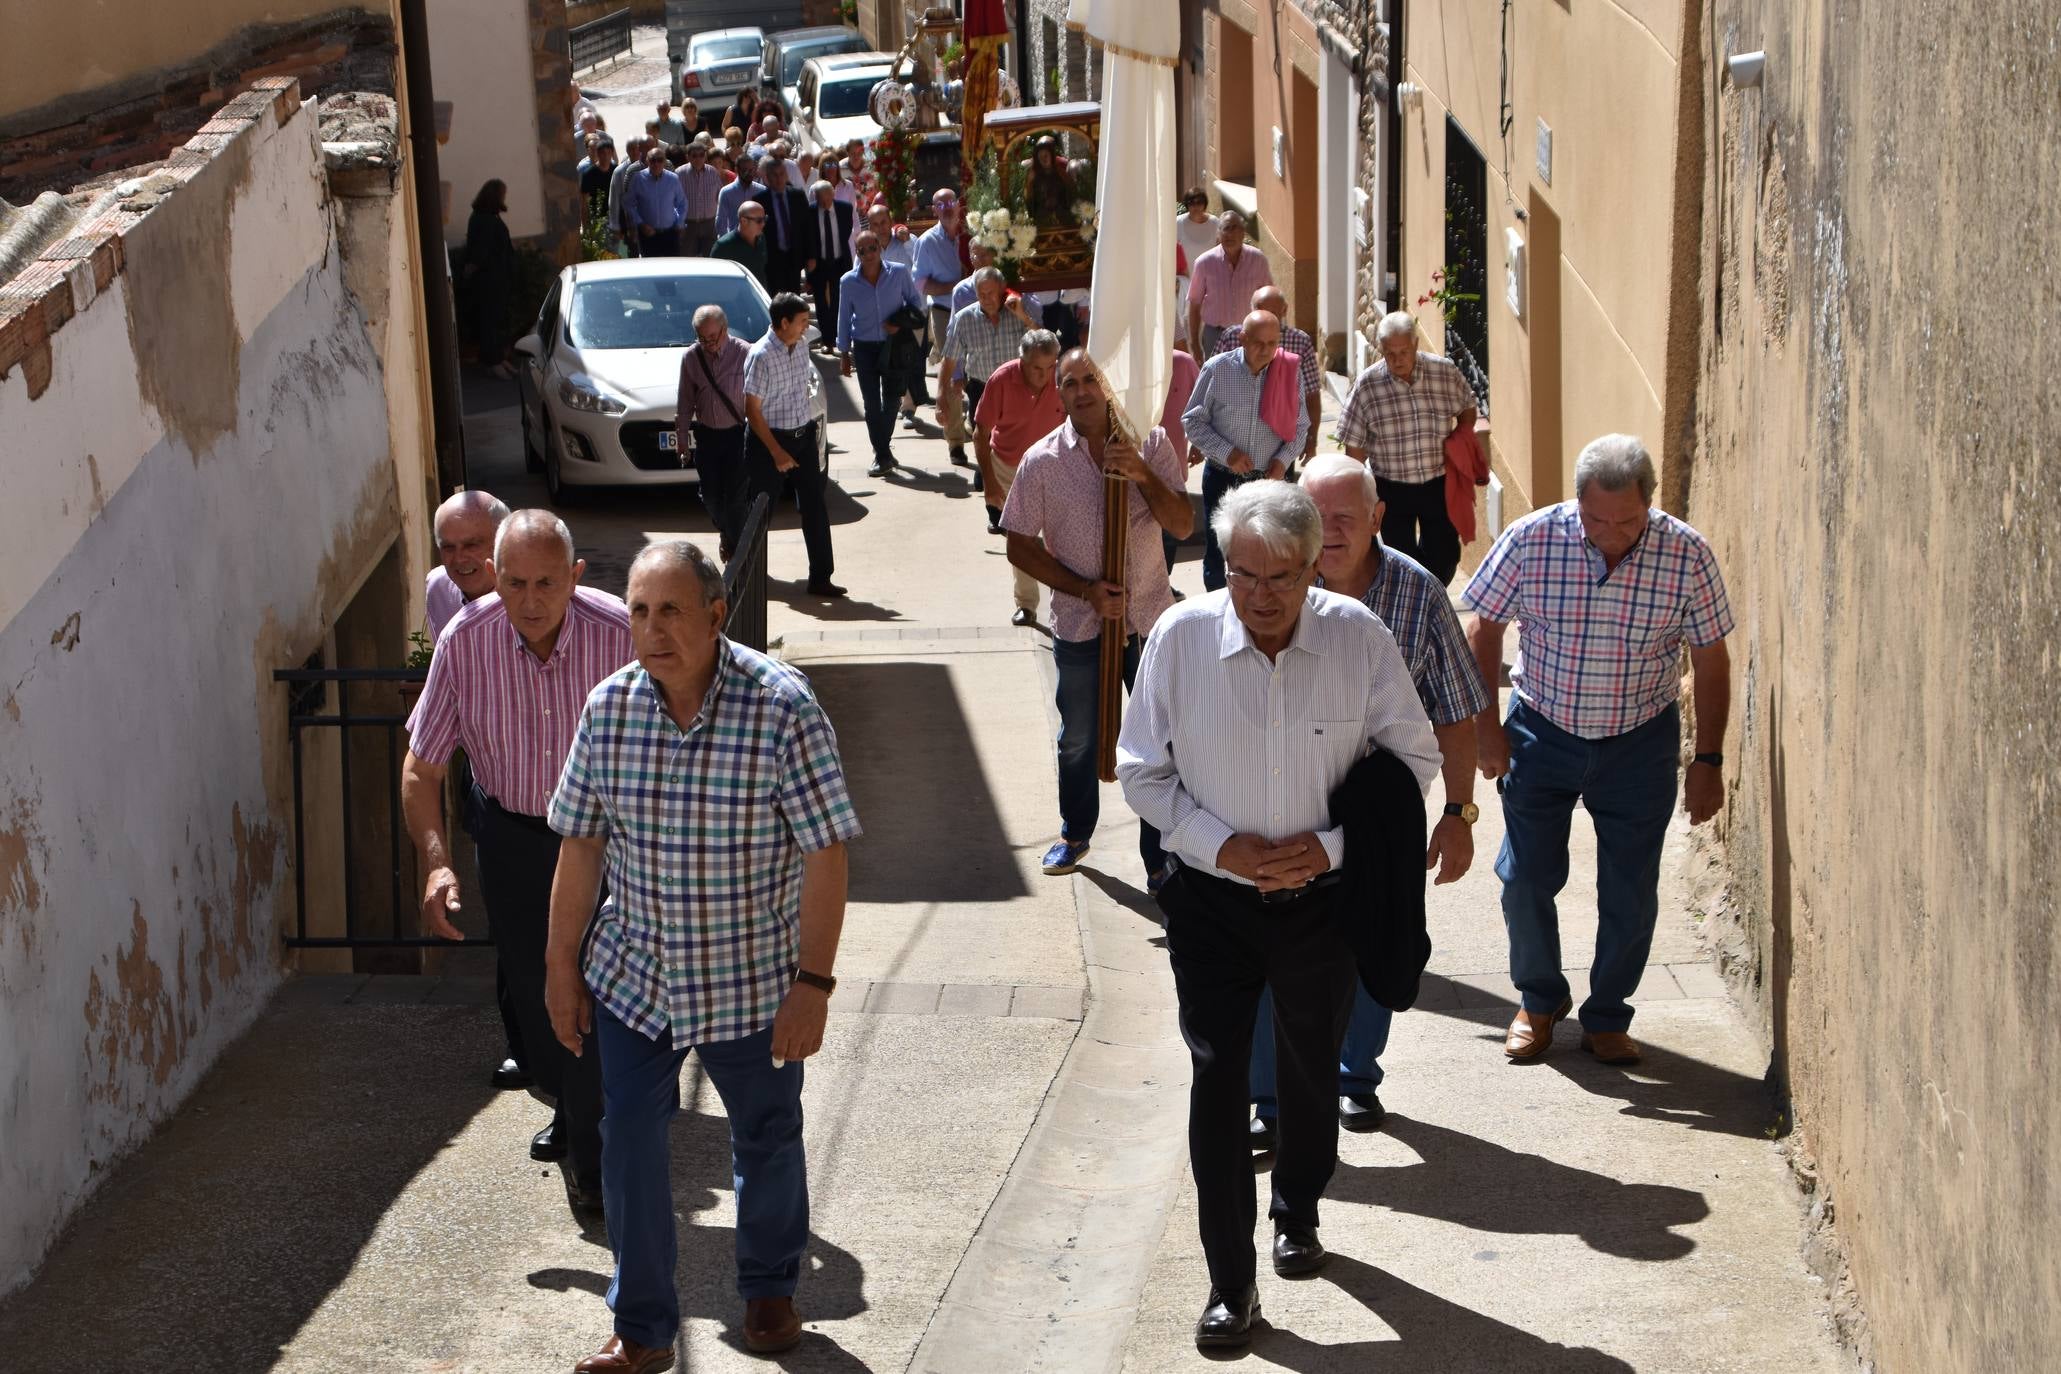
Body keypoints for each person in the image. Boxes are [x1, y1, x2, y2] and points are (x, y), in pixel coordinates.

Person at [1116, 481, 1440, 1350]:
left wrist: (1330, 848)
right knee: (1217, 1077)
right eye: (1242, 574)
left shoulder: (1356, 639)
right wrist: (1215, 844)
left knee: (1308, 1069)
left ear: (1313, 566)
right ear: (1223, 566)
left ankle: (1298, 1207)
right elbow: (1140, 769)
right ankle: (1231, 1282)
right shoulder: (1180, 641)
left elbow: (1414, 758)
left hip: (1320, 906)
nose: (1261, 595)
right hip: (1210, 906)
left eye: (1281, 577)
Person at [546, 539, 860, 1372]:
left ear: (716, 617)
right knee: (630, 1140)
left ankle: (767, 1289)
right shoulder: (609, 710)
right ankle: (643, 1328)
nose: (652, 631)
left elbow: (826, 853)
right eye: (640, 613)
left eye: (671, 611)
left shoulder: (782, 707)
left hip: (751, 982)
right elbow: (579, 843)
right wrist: (559, 967)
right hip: (636, 977)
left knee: (765, 1133)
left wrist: (813, 984)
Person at [1466, 434, 1735, 1066]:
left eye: (1628, 520)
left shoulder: (1687, 554)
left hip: (1639, 741)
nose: (1611, 533)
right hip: (1542, 729)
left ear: (1650, 504)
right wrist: (1486, 729)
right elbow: (1483, 626)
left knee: (1631, 889)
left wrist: (1710, 761)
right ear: (1577, 501)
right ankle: (1539, 999)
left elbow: (1711, 657)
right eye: (1596, 518)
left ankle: (1608, 1014)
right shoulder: (1534, 539)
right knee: (1526, 876)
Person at [1246, 455, 1490, 1147]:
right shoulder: (1268, 584)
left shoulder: (1416, 594)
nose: (1327, 534)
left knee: (1368, 940)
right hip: (1279, 798)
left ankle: (1354, 1079)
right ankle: (1267, 1101)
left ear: (1378, 517)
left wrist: (1457, 815)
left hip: (1377, 813)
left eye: (1344, 519)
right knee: (1268, 952)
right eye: (1314, 519)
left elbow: (1455, 710)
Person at [401, 510, 632, 1224]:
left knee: (595, 995)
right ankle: (573, 1106)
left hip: (607, 841)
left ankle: (594, 1165)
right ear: (490, 579)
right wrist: (438, 863)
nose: (529, 601)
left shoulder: (622, 634)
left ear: (574, 577)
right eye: (512, 583)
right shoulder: (465, 640)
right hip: (511, 838)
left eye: (544, 583)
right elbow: (421, 766)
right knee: (535, 1003)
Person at [1003, 349, 1193, 882]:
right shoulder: (1042, 461)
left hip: (1151, 622)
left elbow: (1181, 523)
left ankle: (1160, 859)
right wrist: (1086, 590)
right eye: (1071, 383)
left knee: (1161, 742)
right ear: (1057, 392)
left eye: (1092, 379)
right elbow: (1019, 544)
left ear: (1108, 385)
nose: (1083, 390)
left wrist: (1141, 473)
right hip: (1082, 625)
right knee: (1080, 738)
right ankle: (1075, 833)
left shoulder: (1150, 442)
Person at [421, 490, 530, 1094]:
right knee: (511, 928)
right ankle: (526, 1048)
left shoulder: (538, 584)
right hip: (492, 778)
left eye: (475, 547)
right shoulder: (440, 591)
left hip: (561, 780)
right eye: (450, 546)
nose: (463, 560)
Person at [1338, 310, 1482, 584]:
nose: (1397, 359)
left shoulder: (1443, 372)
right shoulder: (1368, 385)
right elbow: (1354, 445)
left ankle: (1430, 597)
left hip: (1438, 482)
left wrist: (1462, 437)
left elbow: (1467, 406)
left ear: (1415, 345)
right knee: (1400, 559)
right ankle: (1413, 605)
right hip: (1391, 487)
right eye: (1390, 353)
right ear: (1381, 350)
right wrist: (1358, 493)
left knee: (1446, 556)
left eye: (1403, 351)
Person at [1183, 309, 1308, 591]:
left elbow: (1301, 426)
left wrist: (1282, 461)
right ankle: (1216, 610)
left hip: (1268, 479)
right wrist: (1227, 452)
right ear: (1242, 338)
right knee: (1218, 551)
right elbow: (1192, 420)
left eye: (1272, 343)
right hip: (1222, 476)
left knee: (1266, 552)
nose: (1265, 351)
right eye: (1257, 342)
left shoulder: (1288, 372)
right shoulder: (1217, 369)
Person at [746, 294, 840, 597]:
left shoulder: (800, 345)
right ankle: (750, 580)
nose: (805, 328)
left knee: (814, 506)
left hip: (803, 436)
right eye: (801, 322)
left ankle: (821, 577)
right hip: (769, 442)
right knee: (760, 513)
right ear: (783, 323)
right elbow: (752, 410)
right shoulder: (761, 356)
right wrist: (777, 452)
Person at [972, 330, 1064, 620]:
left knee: (1059, 537)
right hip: (1009, 465)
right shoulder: (1001, 379)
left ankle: (1063, 601)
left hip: (1052, 465)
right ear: (1022, 361)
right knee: (1021, 537)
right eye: (1038, 368)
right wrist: (988, 482)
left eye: (1050, 367)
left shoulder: (1062, 379)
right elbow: (980, 433)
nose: (1045, 375)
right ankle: (1026, 604)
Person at [837, 227, 925, 479]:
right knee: (871, 403)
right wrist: (844, 352)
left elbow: (914, 303)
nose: (868, 254)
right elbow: (844, 318)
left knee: (892, 400)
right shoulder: (848, 282)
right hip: (864, 348)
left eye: (872, 248)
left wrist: (899, 321)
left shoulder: (898, 273)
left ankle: (882, 451)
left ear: (880, 248)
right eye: (862, 250)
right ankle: (882, 454)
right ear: (857, 253)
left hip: (894, 345)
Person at [676, 304, 754, 560]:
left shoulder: (745, 353)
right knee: (710, 497)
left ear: (725, 329)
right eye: (702, 338)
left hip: (737, 435)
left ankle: (738, 553)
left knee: (735, 500)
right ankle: (730, 536)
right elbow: (685, 401)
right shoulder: (691, 358)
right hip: (708, 436)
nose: (708, 344)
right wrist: (682, 439)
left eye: (713, 337)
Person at [940, 266, 1033, 478]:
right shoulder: (964, 319)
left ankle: (1009, 474)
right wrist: (941, 394)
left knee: (1012, 434)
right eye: (981, 294)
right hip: (981, 386)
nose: (986, 298)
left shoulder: (1018, 311)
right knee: (981, 434)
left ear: (1001, 290)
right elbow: (950, 358)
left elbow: (1043, 341)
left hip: (1015, 384)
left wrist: (1023, 316)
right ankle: (986, 471)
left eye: (990, 293)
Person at [1214, 286, 1323, 466]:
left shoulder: (1300, 342)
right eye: (1259, 309)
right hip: (1229, 457)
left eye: (1271, 312)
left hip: (1277, 456)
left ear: (1284, 311)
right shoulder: (1231, 337)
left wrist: (1311, 440)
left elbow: (1311, 395)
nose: (1265, 316)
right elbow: (1207, 395)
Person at [425, 489, 510, 640]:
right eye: (448, 547)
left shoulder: (533, 594)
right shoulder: (438, 590)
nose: (459, 559)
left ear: (503, 542)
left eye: (471, 545)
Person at [1186, 211, 1272, 358]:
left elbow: (1268, 301)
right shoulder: (1204, 263)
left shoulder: (1258, 260)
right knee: (1217, 379)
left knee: (1250, 378)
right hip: (1215, 335)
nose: (1229, 234)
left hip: (1249, 334)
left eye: (1234, 228)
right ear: (1218, 233)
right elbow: (1195, 304)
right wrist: (1194, 343)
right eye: (1225, 228)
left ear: (1243, 232)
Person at [464, 180, 517, 378]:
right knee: (489, 321)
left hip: (496, 279)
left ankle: (497, 358)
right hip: (489, 281)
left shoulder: (485, 217)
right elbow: (481, 252)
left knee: (494, 320)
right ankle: (492, 360)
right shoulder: (485, 219)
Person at [1157, 347, 1202, 573]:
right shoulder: (1128, 363)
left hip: (1173, 471)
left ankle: (1163, 584)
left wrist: (1199, 442)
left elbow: (1204, 401)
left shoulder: (1183, 364)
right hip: (1130, 470)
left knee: (1170, 535)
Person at [914, 188, 969, 369]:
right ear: (933, 210)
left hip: (974, 308)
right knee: (953, 369)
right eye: (940, 204)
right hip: (944, 311)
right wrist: (955, 287)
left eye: (950, 202)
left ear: (958, 205)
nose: (946, 208)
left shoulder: (970, 234)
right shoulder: (926, 242)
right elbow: (920, 283)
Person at [751, 159, 818, 294]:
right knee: (776, 301)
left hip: (794, 258)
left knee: (794, 300)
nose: (778, 178)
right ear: (768, 178)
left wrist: (811, 256)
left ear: (786, 175)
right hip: (771, 260)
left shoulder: (797, 196)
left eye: (781, 174)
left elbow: (807, 228)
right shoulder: (760, 200)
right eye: (774, 175)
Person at [806, 179, 855, 349]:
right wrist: (810, 259)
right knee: (821, 302)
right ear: (816, 198)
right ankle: (827, 340)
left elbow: (846, 231)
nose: (825, 203)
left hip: (839, 261)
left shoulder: (844, 209)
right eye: (821, 199)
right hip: (818, 263)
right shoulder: (810, 212)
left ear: (833, 195)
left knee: (838, 300)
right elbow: (808, 237)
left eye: (828, 199)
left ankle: (838, 337)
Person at [1174, 187, 1220, 347]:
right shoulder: (1178, 223)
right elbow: (1172, 250)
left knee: (1207, 319)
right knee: (1187, 319)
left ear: (1204, 203)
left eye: (1199, 202)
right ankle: (1192, 354)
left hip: (1210, 281)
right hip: (1187, 281)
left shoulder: (1215, 223)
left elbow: (1221, 249)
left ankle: (1205, 350)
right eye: (1192, 202)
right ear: (1187, 204)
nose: (1196, 206)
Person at [625, 145, 688, 257]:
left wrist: (680, 223)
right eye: (653, 160)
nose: (656, 164)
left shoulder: (673, 179)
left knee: (673, 267)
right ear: (647, 161)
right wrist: (640, 224)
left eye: (660, 160)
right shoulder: (638, 179)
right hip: (648, 235)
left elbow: (682, 203)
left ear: (664, 162)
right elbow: (629, 204)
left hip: (670, 234)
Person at [675, 141, 723, 255]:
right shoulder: (679, 174)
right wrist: (680, 223)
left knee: (710, 259)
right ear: (688, 157)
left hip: (709, 225)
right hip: (688, 225)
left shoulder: (713, 172)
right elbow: (673, 201)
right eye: (694, 155)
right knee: (688, 260)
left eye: (701, 155)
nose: (698, 158)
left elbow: (719, 196)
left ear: (705, 156)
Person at [710, 201, 771, 290]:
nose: (763, 224)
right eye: (759, 221)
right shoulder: (723, 246)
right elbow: (715, 280)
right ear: (743, 221)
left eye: (764, 219)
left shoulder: (761, 239)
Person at [608, 138, 646, 257]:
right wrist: (615, 225)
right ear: (627, 151)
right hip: (628, 221)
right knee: (632, 253)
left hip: (647, 219)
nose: (635, 152)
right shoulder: (619, 172)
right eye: (631, 149)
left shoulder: (647, 165)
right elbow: (614, 200)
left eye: (637, 148)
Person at [1024, 135, 1073, 226]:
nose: (1044, 159)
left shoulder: (1062, 168)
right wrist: (1029, 183)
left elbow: (1070, 192)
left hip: (1061, 213)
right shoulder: (1033, 172)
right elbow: (1029, 200)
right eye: (1040, 156)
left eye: (1046, 155)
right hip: (1041, 216)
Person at [716, 151, 759, 236]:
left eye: (751, 170)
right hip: (734, 240)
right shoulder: (726, 192)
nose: (748, 173)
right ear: (736, 170)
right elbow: (721, 221)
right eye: (744, 170)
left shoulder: (761, 190)